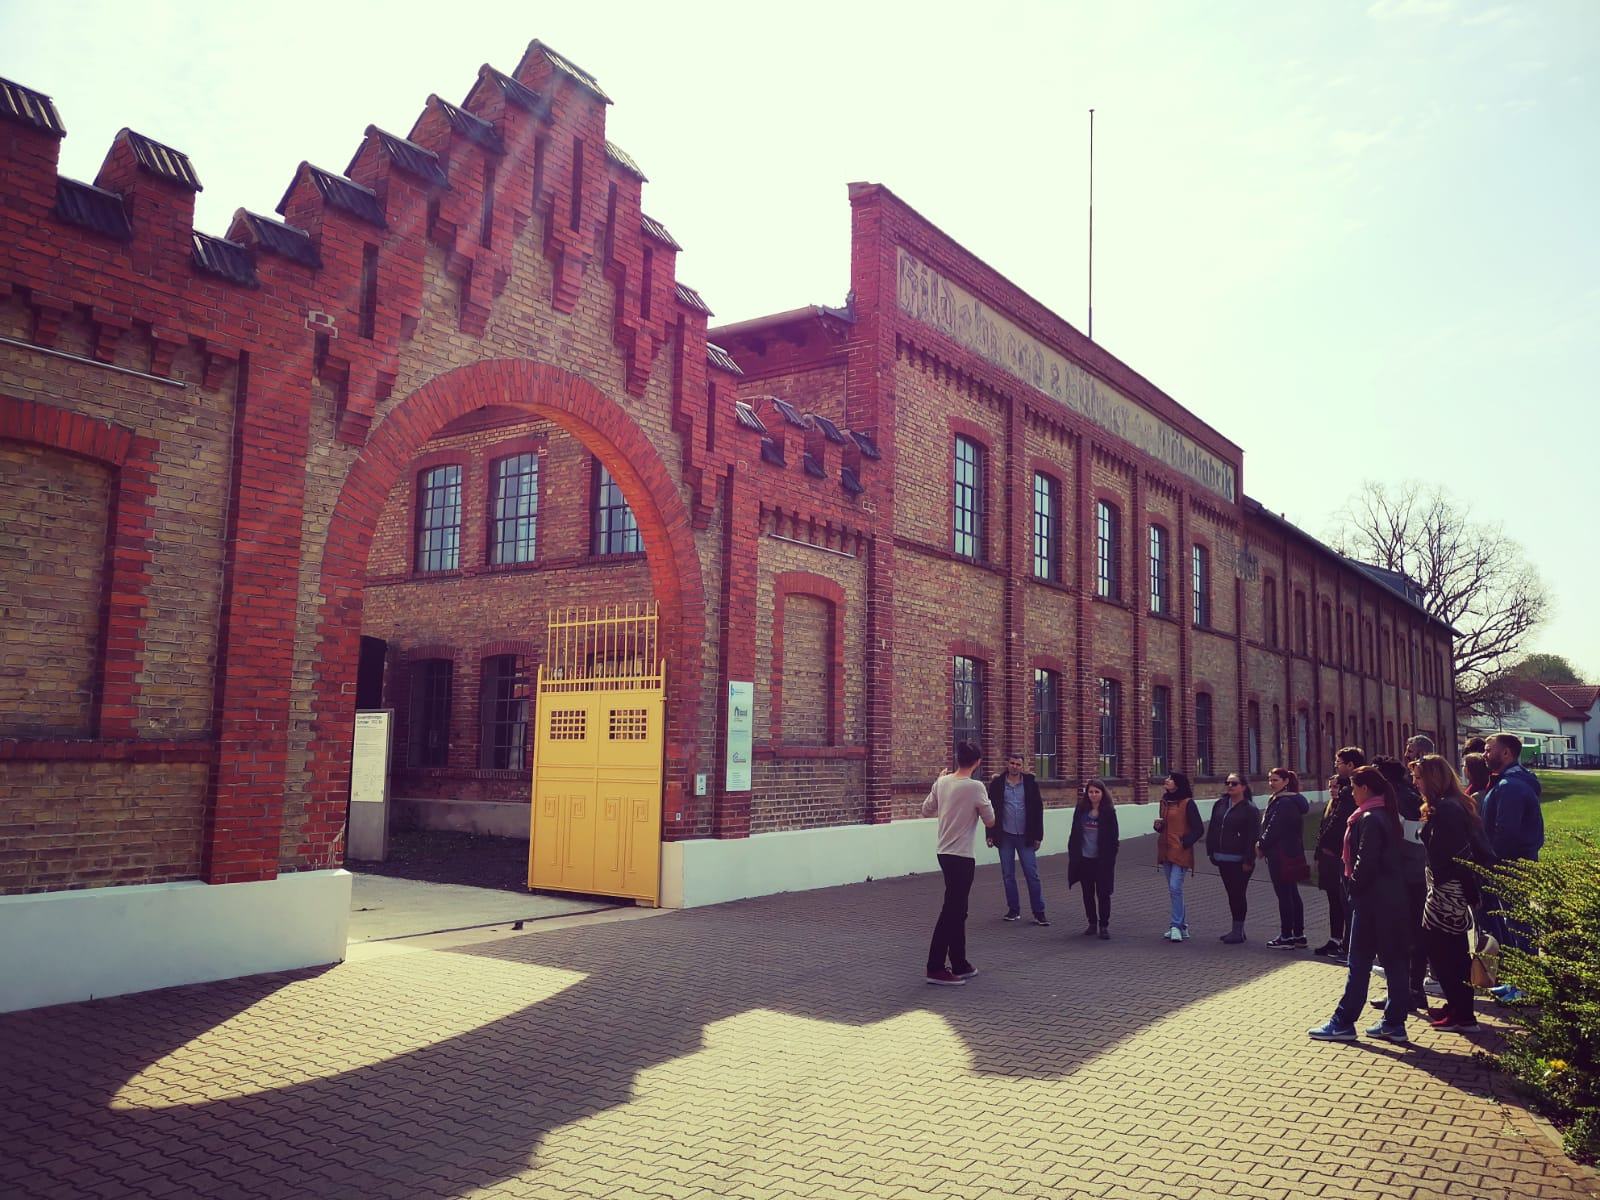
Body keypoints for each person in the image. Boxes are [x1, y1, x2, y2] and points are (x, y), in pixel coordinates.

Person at [1309, 764, 1412, 1044]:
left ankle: (1344, 1020)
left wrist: (1353, 889)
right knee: (1394, 962)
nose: (1351, 793)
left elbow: (1365, 861)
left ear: (1365, 788)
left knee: (1359, 962)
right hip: (1390, 898)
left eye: (1353, 788)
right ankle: (1394, 1022)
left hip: (1371, 901)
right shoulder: (1385, 814)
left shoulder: (1369, 818)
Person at [1414, 754, 1484, 1032]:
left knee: (1445, 950)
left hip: (1448, 888)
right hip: (1444, 885)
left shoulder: (1448, 809)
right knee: (1447, 949)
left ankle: (1463, 1013)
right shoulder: (1449, 805)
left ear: (1432, 778)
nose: (1415, 782)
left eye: (1419, 777)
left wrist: (1466, 891)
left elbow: (1456, 855)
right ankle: (1457, 1006)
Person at [921, 740, 997, 986]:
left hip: (943, 852)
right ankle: (935, 967)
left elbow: (926, 810)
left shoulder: (942, 782)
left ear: (957, 759)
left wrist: (937, 783)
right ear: (977, 762)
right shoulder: (976, 787)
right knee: (952, 911)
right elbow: (991, 820)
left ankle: (960, 962)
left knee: (958, 909)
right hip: (962, 855)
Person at [1481, 732, 1544, 1001]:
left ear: (1506, 753)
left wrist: (1491, 860)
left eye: (1488, 749)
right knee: (1515, 922)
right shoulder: (1510, 782)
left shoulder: (1510, 786)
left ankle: (1527, 987)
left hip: (1510, 864)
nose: (1484, 754)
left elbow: (1506, 832)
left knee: (1519, 924)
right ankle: (1520, 981)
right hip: (1513, 863)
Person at [1372, 755, 1429, 1014]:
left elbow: (1411, 842)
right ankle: (1410, 990)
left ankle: (1407, 992)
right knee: (1411, 937)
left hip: (1406, 877)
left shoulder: (1398, 799)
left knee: (1403, 937)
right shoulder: (1405, 795)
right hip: (1413, 875)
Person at [986, 752, 1048, 926]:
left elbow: (1038, 810)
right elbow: (991, 809)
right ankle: (1013, 910)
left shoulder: (1030, 784)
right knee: (1008, 875)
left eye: (1018, 764)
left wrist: (1038, 836)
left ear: (1022, 766)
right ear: (1007, 764)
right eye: (1012, 763)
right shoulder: (998, 784)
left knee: (1032, 874)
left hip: (1025, 836)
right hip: (1005, 835)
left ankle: (1039, 912)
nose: (1014, 766)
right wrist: (990, 834)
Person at [1313, 748, 1363, 960]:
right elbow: (1326, 826)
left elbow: (1339, 826)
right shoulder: (1337, 800)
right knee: (1335, 900)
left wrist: (1324, 844)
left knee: (1347, 903)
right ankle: (1337, 940)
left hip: (1341, 857)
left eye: (1339, 762)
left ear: (1350, 765)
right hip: (1331, 856)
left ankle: (1349, 946)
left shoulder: (1351, 795)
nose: (1336, 765)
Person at [1206, 773, 1261, 944]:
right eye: (1228, 783)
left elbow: (1253, 836)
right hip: (1222, 858)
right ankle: (1237, 929)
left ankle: (1238, 930)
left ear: (1243, 787)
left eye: (1234, 783)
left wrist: (1248, 860)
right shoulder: (1220, 805)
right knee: (1231, 894)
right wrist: (1211, 851)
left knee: (1238, 893)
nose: (1230, 786)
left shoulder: (1250, 809)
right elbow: (1213, 829)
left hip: (1240, 860)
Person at [1259, 767, 1310, 948]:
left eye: (1275, 780)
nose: (1271, 783)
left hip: (1280, 854)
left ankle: (1287, 935)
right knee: (1292, 893)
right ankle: (1298, 935)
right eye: (1270, 780)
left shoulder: (1285, 803)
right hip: (1290, 852)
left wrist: (1261, 844)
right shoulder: (1285, 800)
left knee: (1285, 895)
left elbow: (1274, 828)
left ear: (1286, 782)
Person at [1153, 771, 1205, 942]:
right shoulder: (1165, 801)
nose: (1166, 780)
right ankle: (1182, 927)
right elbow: (1166, 825)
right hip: (1166, 849)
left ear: (1178, 783)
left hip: (1180, 851)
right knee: (1174, 890)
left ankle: (1175, 925)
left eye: (1170, 779)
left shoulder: (1187, 803)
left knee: (1175, 887)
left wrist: (1185, 843)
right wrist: (1159, 827)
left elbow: (1198, 829)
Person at [1068, 779, 1120, 940]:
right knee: (1087, 893)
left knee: (1103, 893)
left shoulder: (1109, 812)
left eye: (1097, 792)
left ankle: (1104, 925)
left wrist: (1110, 858)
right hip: (1084, 859)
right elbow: (1074, 831)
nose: (1093, 795)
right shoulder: (1081, 809)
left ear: (1102, 793)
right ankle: (1092, 923)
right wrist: (1073, 851)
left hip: (1101, 860)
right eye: (1091, 792)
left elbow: (1113, 837)